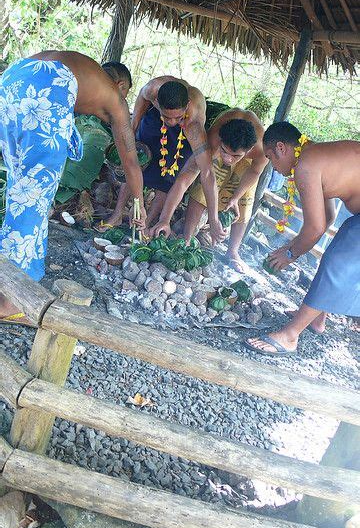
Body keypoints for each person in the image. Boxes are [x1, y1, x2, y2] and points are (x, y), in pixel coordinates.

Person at [0, 50, 145, 323]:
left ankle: (17, 273)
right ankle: (8, 299)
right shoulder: (115, 100)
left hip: (12, 80)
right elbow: (131, 162)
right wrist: (140, 206)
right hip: (47, 89)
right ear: (122, 86)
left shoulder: (83, 74)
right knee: (32, 196)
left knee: (20, 188)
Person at [244, 121, 360, 356]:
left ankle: (290, 336)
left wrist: (290, 253)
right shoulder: (312, 156)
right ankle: (316, 319)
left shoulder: (305, 166)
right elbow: (327, 217)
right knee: (334, 256)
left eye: (270, 157)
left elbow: (316, 226)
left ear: (281, 148)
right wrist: (292, 247)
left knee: (338, 263)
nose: (273, 168)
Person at [96, 76, 225, 243]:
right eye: (168, 117)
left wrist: (214, 219)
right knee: (136, 162)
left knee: (168, 176)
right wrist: (133, 132)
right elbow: (141, 102)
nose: (171, 122)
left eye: (176, 118)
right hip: (154, 121)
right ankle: (117, 214)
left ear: (186, 107)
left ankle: (146, 224)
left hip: (183, 133)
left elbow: (207, 173)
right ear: (156, 102)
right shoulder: (152, 90)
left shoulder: (193, 125)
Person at [151, 110, 267, 271]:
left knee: (245, 200)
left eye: (235, 156)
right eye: (225, 152)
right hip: (218, 147)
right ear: (220, 140)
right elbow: (186, 178)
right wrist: (164, 219)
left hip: (247, 162)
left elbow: (254, 173)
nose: (228, 159)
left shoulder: (262, 149)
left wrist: (235, 197)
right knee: (202, 188)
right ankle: (187, 238)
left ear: (249, 150)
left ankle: (232, 251)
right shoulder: (214, 138)